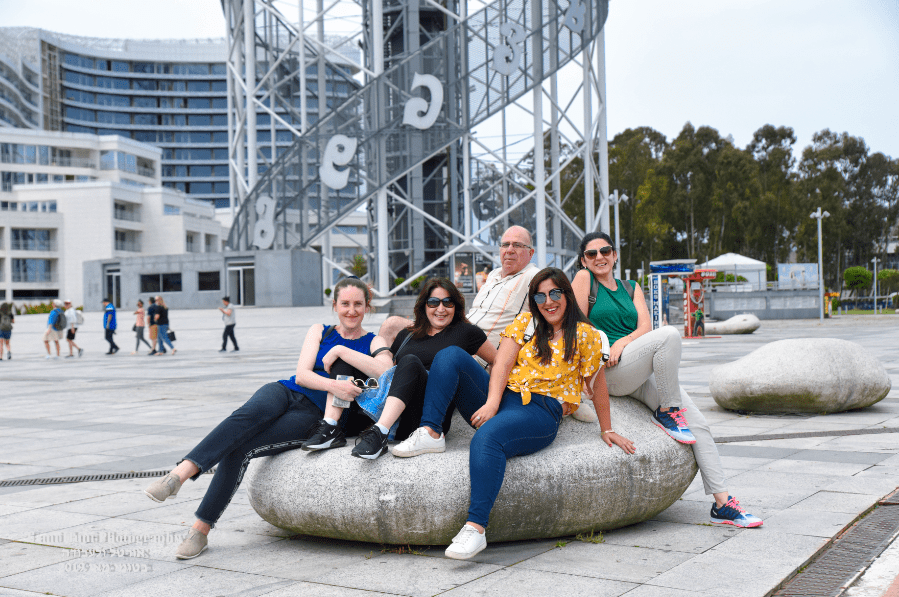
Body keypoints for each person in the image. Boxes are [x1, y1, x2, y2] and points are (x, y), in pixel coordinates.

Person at [393, 267, 635, 559]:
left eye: (555, 293)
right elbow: (502, 365)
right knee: (451, 355)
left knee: (488, 437)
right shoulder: (526, 322)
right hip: (505, 396)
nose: (549, 301)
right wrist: (493, 402)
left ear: (567, 296)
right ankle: (431, 432)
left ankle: (476, 528)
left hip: (540, 410)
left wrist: (606, 428)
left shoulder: (585, 335)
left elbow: (598, 385)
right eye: (541, 295)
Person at [142, 278, 392, 559]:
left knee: (240, 447)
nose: (351, 310)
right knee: (244, 417)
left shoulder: (374, 340)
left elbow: (387, 371)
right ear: (334, 305)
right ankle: (178, 475)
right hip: (286, 391)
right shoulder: (319, 330)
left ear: (367, 306)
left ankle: (200, 529)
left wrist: (342, 351)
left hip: (316, 417)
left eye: (358, 304)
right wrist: (335, 384)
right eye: (345, 303)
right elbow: (302, 375)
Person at [571, 232, 762, 528]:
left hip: (633, 366)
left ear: (615, 254)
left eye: (605, 251)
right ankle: (668, 411)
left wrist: (623, 344)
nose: (600, 257)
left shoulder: (631, 287)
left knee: (699, 424)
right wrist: (609, 348)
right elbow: (577, 325)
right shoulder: (584, 280)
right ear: (583, 260)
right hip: (607, 373)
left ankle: (723, 504)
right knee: (670, 334)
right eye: (592, 254)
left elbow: (646, 327)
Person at [302, 278, 496, 460]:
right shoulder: (407, 335)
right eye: (433, 302)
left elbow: (497, 362)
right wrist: (341, 352)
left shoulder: (466, 332)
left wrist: (494, 402)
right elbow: (388, 373)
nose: (441, 309)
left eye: (448, 302)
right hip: (397, 410)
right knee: (344, 361)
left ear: (456, 306)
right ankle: (331, 426)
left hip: (425, 417)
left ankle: (380, 433)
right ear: (424, 305)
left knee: (410, 362)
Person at [378, 225, 539, 352]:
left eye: (517, 245)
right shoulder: (493, 275)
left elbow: (553, 311)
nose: (509, 250)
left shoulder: (533, 276)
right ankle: (381, 379)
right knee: (391, 325)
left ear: (530, 253)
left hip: (474, 349)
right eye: (505, 244)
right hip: (453, 331)